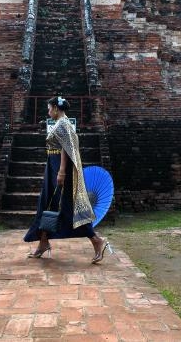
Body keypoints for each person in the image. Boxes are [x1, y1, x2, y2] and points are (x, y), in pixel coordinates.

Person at [24, 96, 112, 263]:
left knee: (68, 206)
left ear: (57, 108)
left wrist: (62, 171)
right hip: (52, 166)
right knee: (46, 203)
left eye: (50, 108)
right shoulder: (60, 123)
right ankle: (43, 242)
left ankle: (96, 240)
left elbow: (66, 148)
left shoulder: (64, 123)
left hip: (60, 168)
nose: (48, 111)